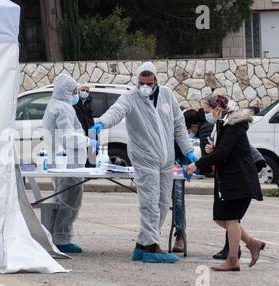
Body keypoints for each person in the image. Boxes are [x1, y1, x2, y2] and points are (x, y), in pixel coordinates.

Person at [91, 62, 197, 263]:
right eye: (142, 82)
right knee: (149, 203)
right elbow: (117, 111)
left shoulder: (166, 95)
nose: (145, 86)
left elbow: (179, 125)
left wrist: (188, 151)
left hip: (166, 160)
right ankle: (151, 246)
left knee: (163, 202)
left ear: (156, 80)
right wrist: (102, 123)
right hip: (144, 158)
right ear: (137, 80)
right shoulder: (130, 97)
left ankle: (142, 243)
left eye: (149, 82)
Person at [187, 96, 266, 271]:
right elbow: (225, 150)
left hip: (240, 178)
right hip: (229, 178)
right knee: (221, 218)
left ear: (217, 109)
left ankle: (232, 259)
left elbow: (223, 153)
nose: (206, 116)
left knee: (230, 219)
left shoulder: (233, 125)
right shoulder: (223, 124)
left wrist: (197, 164)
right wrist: (212, 149)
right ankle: (252, 244)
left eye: (207, 112)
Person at [42, 74, 99, 253]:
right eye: (74, 91)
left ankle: (53, 236)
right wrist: (89, 142)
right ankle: (62, 238)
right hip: (70, 163)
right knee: (70, 201)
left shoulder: (54, 105)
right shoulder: (63, 108)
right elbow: (68, 138)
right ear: (66, 91)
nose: (76, 94)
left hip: (61, 161)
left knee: (60, 199)